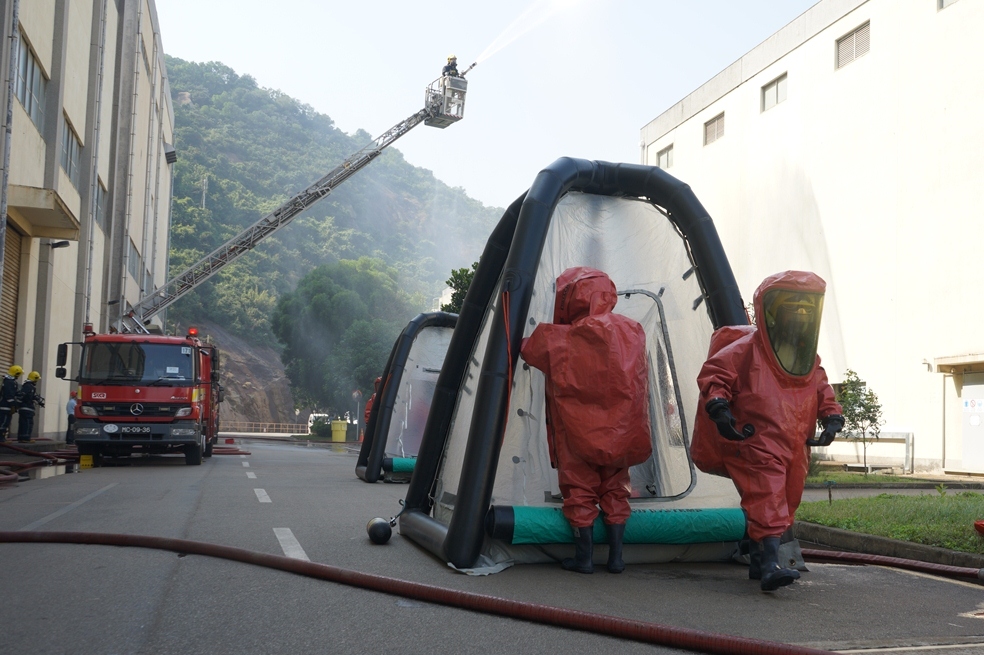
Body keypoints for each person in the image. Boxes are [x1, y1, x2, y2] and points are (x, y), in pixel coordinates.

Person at [691, 270, 844, 591]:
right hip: (757, 438)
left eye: (807, 307)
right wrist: (719, 408)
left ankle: (760, 561)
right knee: (768, 496)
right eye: (793, 305)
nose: (801, 313)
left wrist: (832, 417)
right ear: (771, 310)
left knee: (787, 498)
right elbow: (715, 375)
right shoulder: (747, 349)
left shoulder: (806, 358)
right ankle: (772, 566)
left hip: (795, 442)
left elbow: (821, 388)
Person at [521, 267, 652, 574]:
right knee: (616, 489)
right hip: (622, 434)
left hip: (578, 436)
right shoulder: (632, 330)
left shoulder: (560, 338)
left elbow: (527, 348)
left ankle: (584, 559)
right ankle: (616, 558)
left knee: (579, 492)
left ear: (570, 298)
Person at [16, 370, 45, 443]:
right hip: (27, 408)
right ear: (35, 379)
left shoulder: (29, 386)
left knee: (23, 423)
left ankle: (22, 438)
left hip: (24, 408)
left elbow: (33, 396)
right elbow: (22, 395)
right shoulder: (28, 386)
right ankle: (26, 438)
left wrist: (39, 401)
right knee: (28, 423)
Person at [0, 365, 23, 442]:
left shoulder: (8, 381)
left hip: (5, 406)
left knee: (5, 422)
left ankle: (2, 438)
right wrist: (13, 405)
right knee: (3, 423)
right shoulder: (9, 382)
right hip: (5, 406)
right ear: (16, 374)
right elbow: (9, 395)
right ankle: (1, 438)